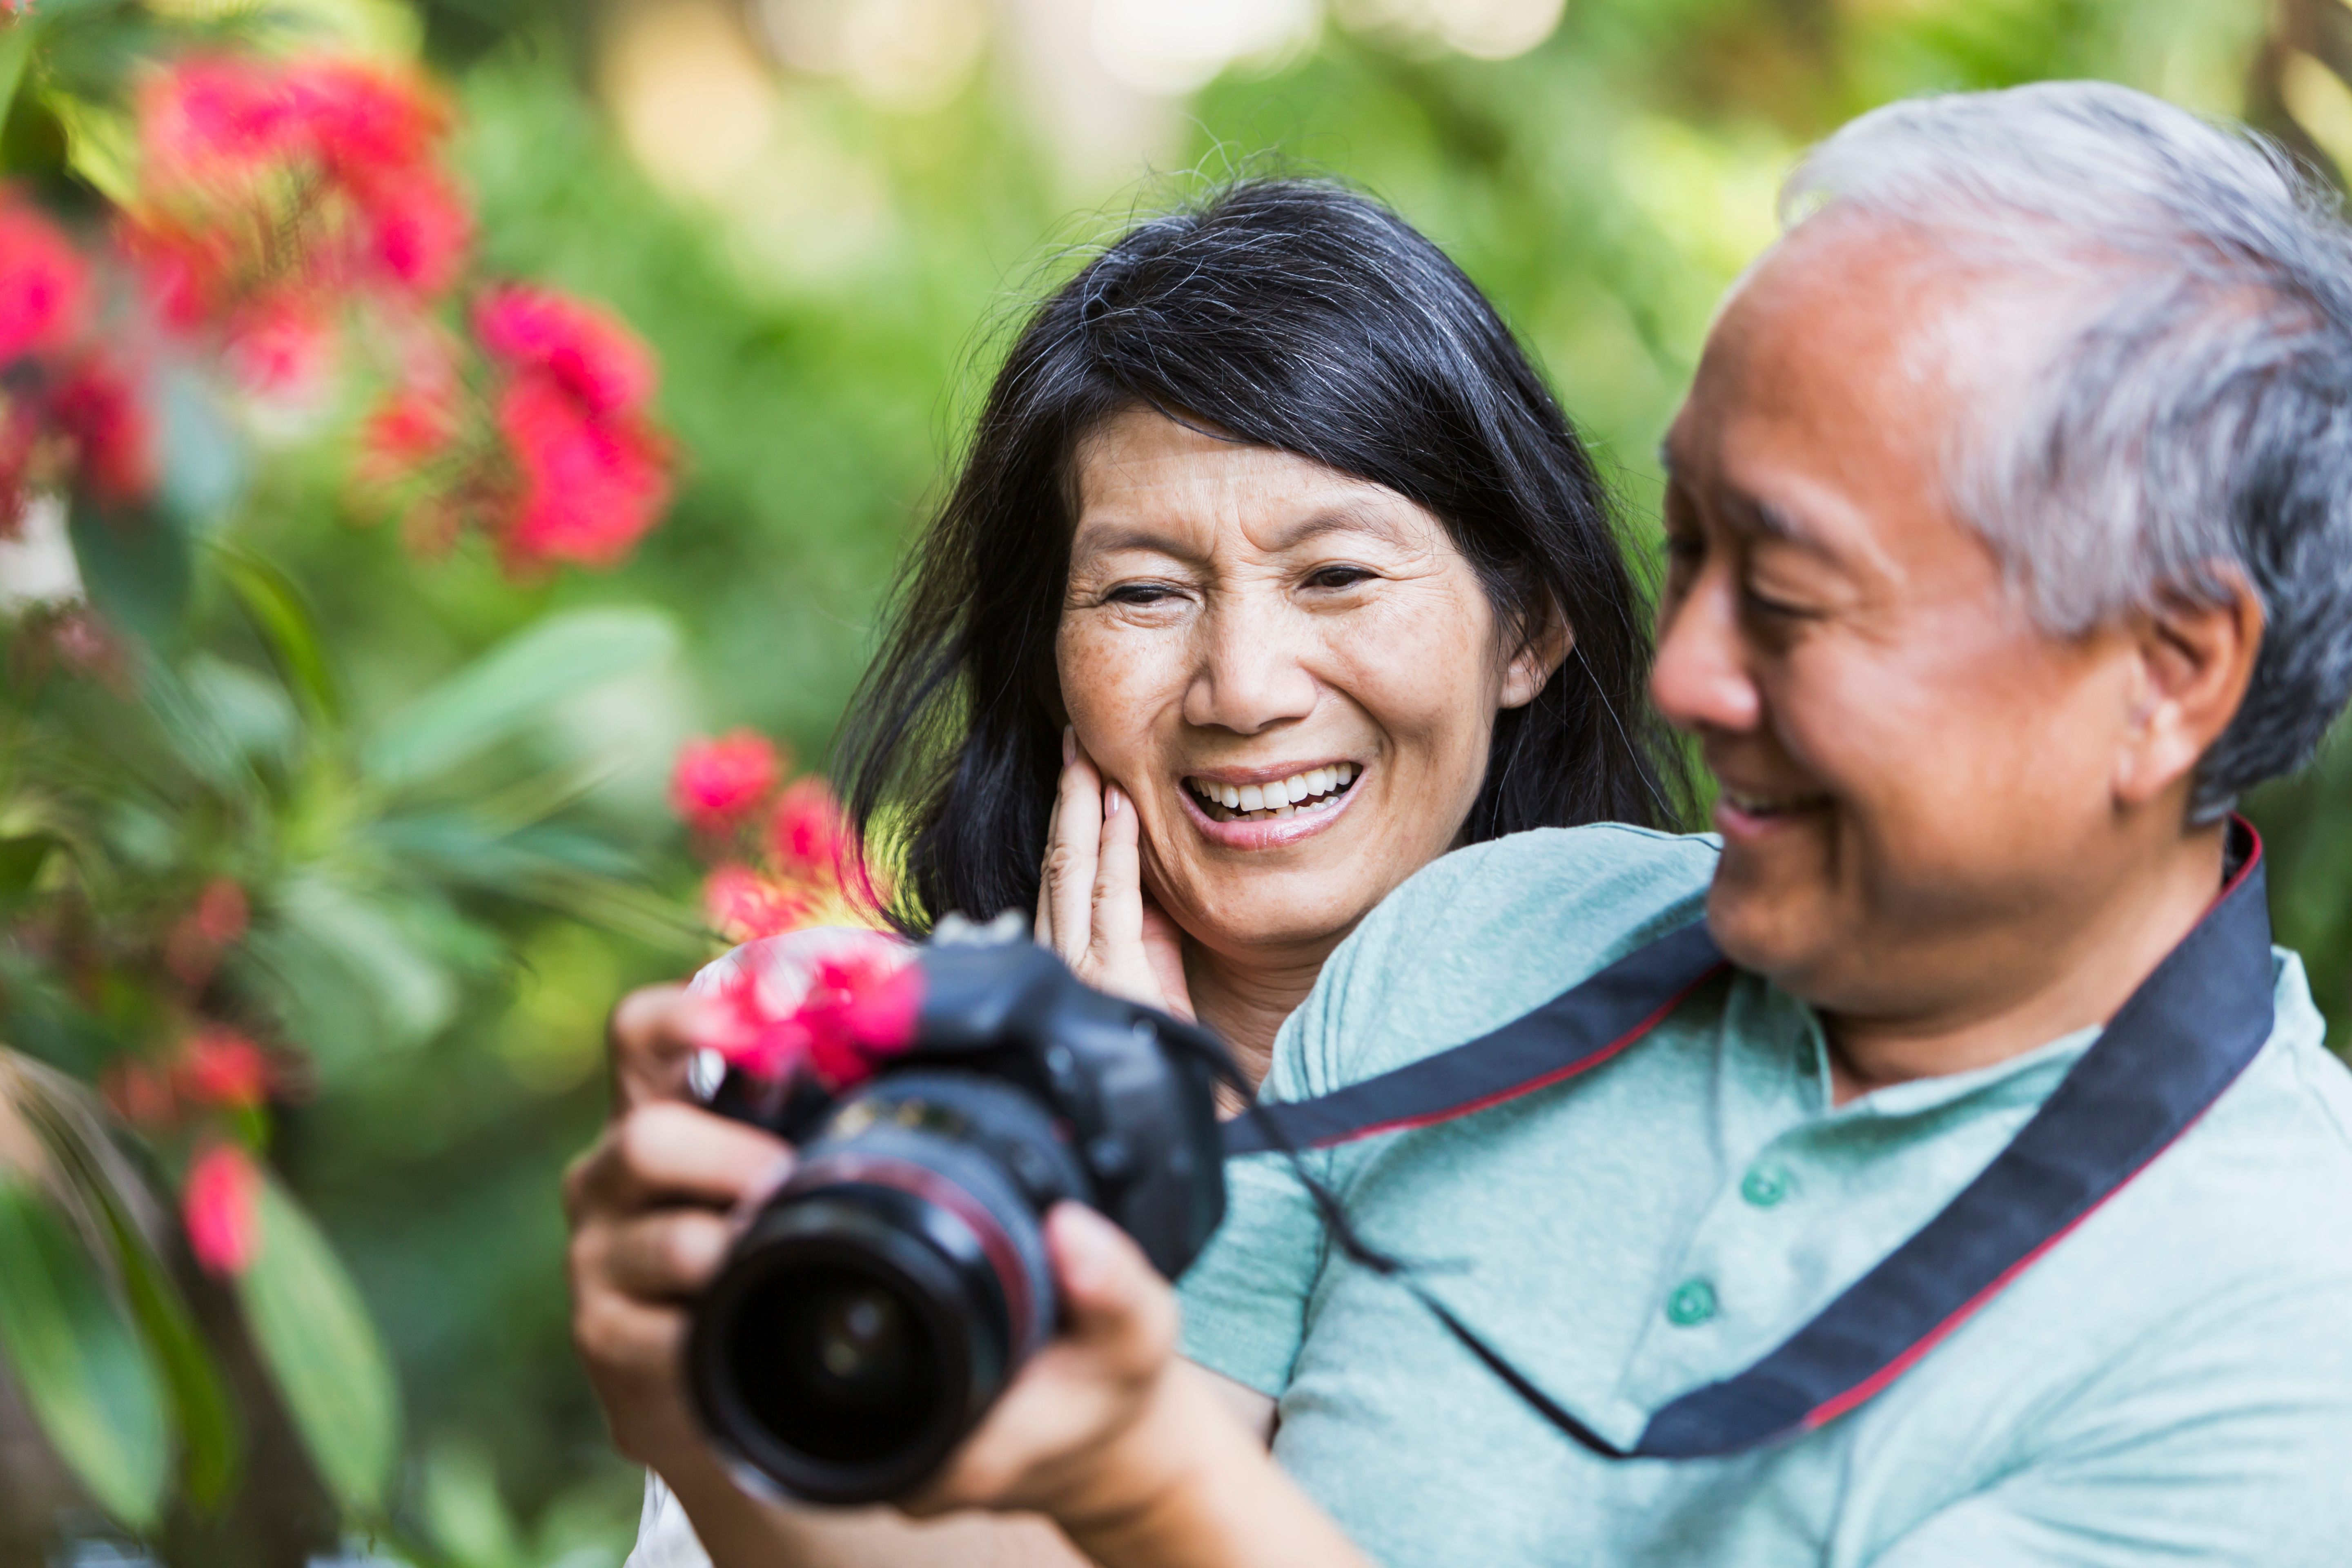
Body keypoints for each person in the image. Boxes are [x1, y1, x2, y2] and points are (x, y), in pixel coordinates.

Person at [712, 81, 2352, 1567]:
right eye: (1690, 554)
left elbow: (1141, 1498)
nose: (1690, 675)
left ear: (2167, 675)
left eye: (1786, 595)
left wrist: (1157, 1488)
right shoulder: (1479, 938)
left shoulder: (2287, 1331)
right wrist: (713, 1371)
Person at [562, 178, 1685, 1566]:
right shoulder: (855, 1079)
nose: (1245, 688)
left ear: (1530, 630)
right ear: (1049, 660)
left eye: (1336, 574)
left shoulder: (1679, 1075)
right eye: (1145, 593)